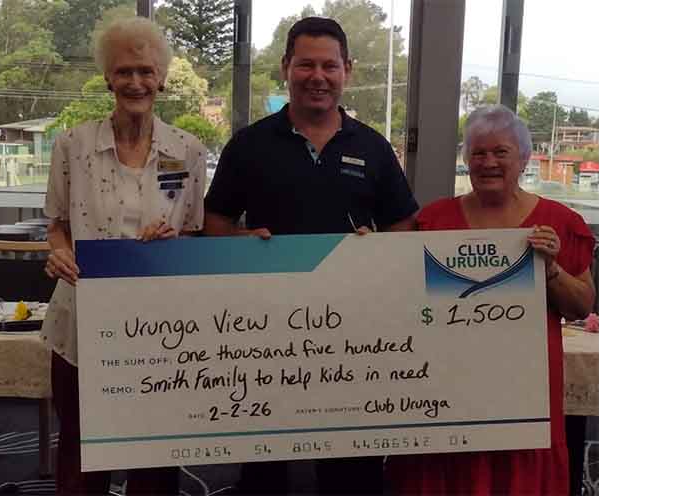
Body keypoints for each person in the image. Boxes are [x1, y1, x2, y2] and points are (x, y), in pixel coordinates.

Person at [204, 16, 419, 496]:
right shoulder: (249, 145)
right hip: (264, 332)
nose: (317, 77)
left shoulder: (373, 148)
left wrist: (379, 251)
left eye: (329, 65)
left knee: (352, 470)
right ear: (286, 67)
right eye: (306, 65)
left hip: (355, 334)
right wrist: (239, 241)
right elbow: (214, 225)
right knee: (264, 467)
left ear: (347, 71)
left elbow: (404, 230)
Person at [386, 104, 596, 495]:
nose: (489, 162)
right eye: (478, 153)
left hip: (524, 397)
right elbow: (398, 296)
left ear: (524, 159)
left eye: (501, 152)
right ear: (467, 160)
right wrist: (361, 255)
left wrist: (550, 269)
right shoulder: (433, 222)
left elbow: (581, 306)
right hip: (445, 391)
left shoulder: (561, 223)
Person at [40, 17, 207, 495]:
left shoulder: (188, 151)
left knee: (154, 456)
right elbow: (56, 225)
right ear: (108, 78)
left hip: (160, 329)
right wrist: (59, 255)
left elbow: (194, 233)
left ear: (162, 78)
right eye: (124, 71)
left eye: (146, 71)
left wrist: (174, 245)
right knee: (81, 453)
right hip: (81, 323)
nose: (136, 82)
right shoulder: (72, 146)